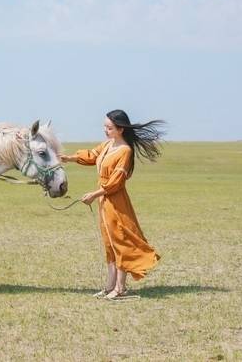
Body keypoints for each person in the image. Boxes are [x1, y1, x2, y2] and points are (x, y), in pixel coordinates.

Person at [60, 110, 164, 299]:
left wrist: (94, 194)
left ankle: (120, 288)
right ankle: (109, 286)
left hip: (116, 202)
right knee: (109, 243)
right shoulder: (108, 145)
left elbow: (116, 182)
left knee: (120, 242)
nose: (105, 130)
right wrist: (69, 158)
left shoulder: (125, 151)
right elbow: (92, 155)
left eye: (109, 128)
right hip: (104, 200)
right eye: (105, 127)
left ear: (120, 129)